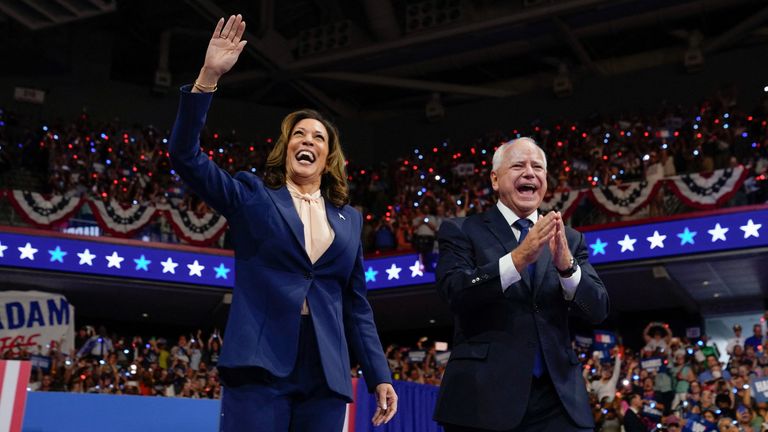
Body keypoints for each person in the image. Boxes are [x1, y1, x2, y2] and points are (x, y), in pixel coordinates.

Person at [168, 14, 396, 431]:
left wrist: (380, 373)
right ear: (286, 147)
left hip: (326, 370)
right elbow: (186, 157)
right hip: (260, 363)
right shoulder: (252, 196)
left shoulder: (349, 220)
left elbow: (356, 304)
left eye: (318, 137)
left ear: (329, 158)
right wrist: (207, 79)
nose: (308, 140)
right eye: (299, 134)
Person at [433, 137, 609, 431]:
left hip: (559, 402)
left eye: (537, 167)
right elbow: (455, 291)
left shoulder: (569, 238)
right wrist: (517, 259)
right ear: (495, 179)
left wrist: (567, 268)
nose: (530, 173)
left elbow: (598, 309)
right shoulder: (461, 230)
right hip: (483, 400)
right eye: (518, 166)